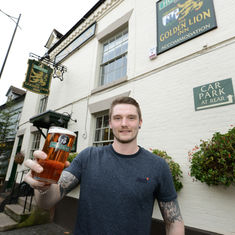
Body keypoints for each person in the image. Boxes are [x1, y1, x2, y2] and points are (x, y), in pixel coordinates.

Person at [24, 96, 184, 235]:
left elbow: (174, 222)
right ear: (110, 123)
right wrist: (43, 186)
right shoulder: (88, 157)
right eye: (117, 118)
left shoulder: (158, 166)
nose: (124, 123)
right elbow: (46, 202)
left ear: (140, 122)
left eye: (131, 117)